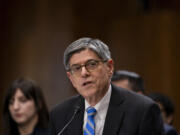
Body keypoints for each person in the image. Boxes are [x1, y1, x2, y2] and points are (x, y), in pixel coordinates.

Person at [48, 37, 164, 135]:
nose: (84, 73)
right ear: (71, 78)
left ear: (109, 67)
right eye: (77, 68)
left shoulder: (142, 110)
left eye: (92, 64)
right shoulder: (60, 115)